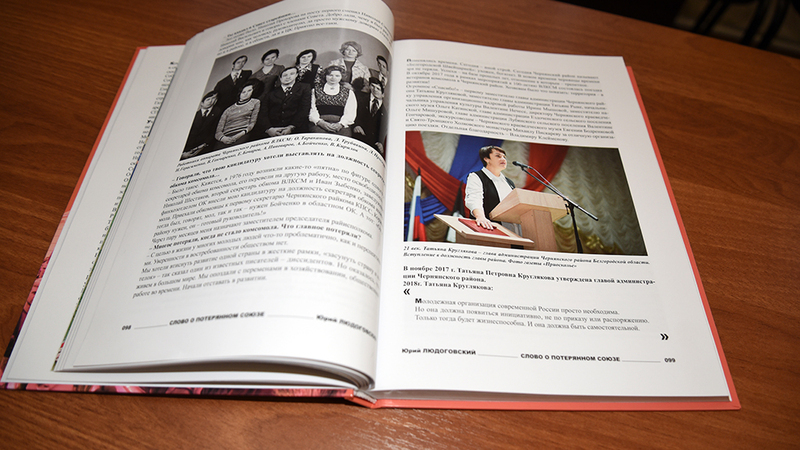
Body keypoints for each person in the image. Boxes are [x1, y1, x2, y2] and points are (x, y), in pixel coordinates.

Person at [464, 146, 517, 230]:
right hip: (487, 227)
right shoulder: (476, 176)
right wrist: (480, 217)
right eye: (498, 156)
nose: (503, 159)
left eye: (504, 157)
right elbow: (474, 199)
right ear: (486, 159)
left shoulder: (509, 182)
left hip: (512, 229)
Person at [254, 66, 311, 138]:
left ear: (296, 75)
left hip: (296, 128)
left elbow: (304, 109)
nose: (288, 77)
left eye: (292, 74)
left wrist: (291, 127)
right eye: (285, 75)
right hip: (274, 130)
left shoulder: (304, 88)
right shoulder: (271, 93)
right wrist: (269, 129)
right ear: (280, 78)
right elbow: (263, 112)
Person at [309, 65, 356, 136]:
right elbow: (312, 109)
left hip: (341, 124)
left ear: (341, 77)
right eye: (330, 75)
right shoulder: (315, 90)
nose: (333, 78)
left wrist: (341, 124)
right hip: (319, 123)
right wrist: (320, 122)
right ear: (325, 76)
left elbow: (350, 112)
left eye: (337, 76)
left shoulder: (349, 92)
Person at [214, 81, 260, 149]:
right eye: (243, 92)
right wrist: (223, 138)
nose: (246, 94)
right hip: (225, 137)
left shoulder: (255, 102)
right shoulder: (228, 109)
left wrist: (238, 135)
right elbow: (218, 131)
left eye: (249, 90)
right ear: (240, 93)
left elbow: (252, 123)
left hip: (242, 134)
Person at [182, 91, 222, 159]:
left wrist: (203, 145)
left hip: (207, 147)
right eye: (208, 99)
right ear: (202, 103)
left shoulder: (217, 112)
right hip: (190, 148)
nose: (211, 101)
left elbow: (214, 130)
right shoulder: (195, 115)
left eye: (213, 99)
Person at [353, 77, 385, 155]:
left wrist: (382, 142)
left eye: (378, 88)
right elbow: (354, 113)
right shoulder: (361, 99)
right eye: (372, 86)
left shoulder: (386, 108)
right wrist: (357, 125)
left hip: (376, 143)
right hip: (360, 136)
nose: (374, 90)